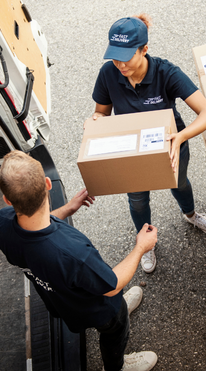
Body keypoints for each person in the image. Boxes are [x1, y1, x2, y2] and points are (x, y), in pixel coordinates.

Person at [0, 150, 158, 371]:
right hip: (100, 307)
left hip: (62, 302)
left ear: (7, 199)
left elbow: (33, 225)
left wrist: (68, 208)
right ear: (48, 184)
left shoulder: (0, 224)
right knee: (115, 328)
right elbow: (111, 286)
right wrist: (140, 248)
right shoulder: (73, 252)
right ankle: (118, 366)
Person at [92, 14, 206, 273]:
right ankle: (145, 244)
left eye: (127, 56)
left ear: (144, 49)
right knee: (138, 201)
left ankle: (190, 215)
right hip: (132, 153)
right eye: (114, 56)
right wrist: (95, 121)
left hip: (171, 145)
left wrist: (181, 136)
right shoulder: (108, 73)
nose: (120, 64)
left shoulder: (166, 72)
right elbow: (101, 112)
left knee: (180, 184)